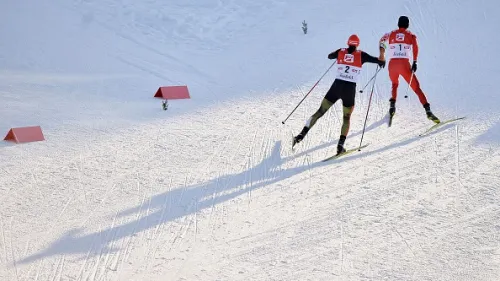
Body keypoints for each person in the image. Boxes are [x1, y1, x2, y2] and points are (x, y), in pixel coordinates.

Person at [293, 34, 385, 155]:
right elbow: (379, 61)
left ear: (348, 43)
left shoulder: (340, 51)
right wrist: (381, 58)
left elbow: (329, 56)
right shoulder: (361, 55)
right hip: (349, 90)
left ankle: (300, 135)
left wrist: (338, 56)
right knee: (346, 118)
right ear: (357, 44)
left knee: (319, 112)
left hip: (336, 87)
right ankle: (340, 146)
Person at [379, 16, 440, 123]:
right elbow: (416, 47)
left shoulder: (390, 33)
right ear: (407, 25)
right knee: (416, 88)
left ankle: (392, 107)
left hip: (392, 64)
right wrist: (415, 61)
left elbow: (382, 40)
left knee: (394, 84)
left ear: (398, 24)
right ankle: (428, 111)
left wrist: (382, 55)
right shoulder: (411, 35)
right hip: (404, 64)